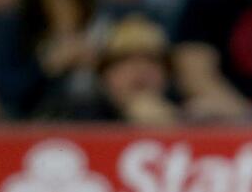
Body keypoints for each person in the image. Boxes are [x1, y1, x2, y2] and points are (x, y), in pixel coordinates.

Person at [43, 14, 178, 124]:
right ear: (104, 74)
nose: (140, 69)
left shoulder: (189, 117)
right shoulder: (76, 119)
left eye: (151, 60)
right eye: (125, 60)